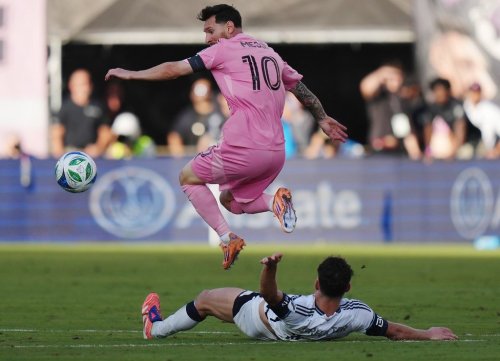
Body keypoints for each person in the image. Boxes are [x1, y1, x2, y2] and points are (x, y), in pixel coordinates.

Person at [105, 4, 348, 270]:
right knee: (231, 201)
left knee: (187, 178)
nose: (207, 38)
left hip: (243, 145)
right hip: (276, 152)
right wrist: (322, 117)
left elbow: (173, 69)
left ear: (229, 27)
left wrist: (132, 74)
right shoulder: (270, 54)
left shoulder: (222, 50)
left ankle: (227, 238)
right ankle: (274, 201)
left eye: (211, 30)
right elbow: (300, 89)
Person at [141, 252, 458, 342]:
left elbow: (269, 295)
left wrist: (270, 268)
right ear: (347, 288)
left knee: (205, 299)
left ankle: (155, 329)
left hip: (256, 316)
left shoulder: (299, 309)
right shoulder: (357, 315)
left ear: (316, 282)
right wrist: (428, 334)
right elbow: (394, 331)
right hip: (275, 330)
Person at [360, 63, 422, 160]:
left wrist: (416, 154)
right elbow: (365, 87)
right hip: (379, 149)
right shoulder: (378, 96)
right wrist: (382, 72)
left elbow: (407, 131)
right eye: (392, 78)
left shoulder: (402, 100)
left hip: (399, 151)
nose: (396, 82)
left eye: (398, 78)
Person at [51, 68, 112, 158]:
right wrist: (62, 156)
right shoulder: (64, 108)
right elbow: (56, 134)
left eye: (85, 84)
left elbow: (105, 132)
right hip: (70, 156)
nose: (83, 88)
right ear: (71, 86)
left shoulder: (98, 107)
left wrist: (98, 148)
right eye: (79, 85)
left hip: (93, 157)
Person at [167, 78, 226, 157]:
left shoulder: (222, 111)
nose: (201, 94)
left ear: (210, 93)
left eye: (203, 89)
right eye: (198, 90)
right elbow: (174, 137)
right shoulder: (187, 116)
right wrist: (179, 157)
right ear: (192, 95)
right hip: (196, 161)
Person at [424, 78, 467, 160]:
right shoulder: (430, 109)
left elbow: (460, 127)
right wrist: (428, 150)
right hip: (438, 150)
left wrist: (454, 151)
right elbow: (428, 129)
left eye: (442, 90)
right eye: (437, 90)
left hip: (456, 148)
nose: (440, 93)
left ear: (448, 91)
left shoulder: (456, 106)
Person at [463, 82, 500, 159]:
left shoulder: (487, 108)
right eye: (473, 93)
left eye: (477, 93)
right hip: (478, 139)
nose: (475, 95)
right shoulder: (467, 106)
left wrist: (492, 149)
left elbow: (488, 129)